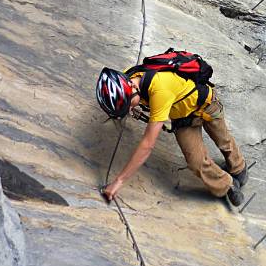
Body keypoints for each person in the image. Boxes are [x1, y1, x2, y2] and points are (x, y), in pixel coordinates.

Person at [96, 63, 248, 206]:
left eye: (128, 104)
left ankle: (239, 167)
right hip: (182, 116)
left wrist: (119, 181)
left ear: (131, 87)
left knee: (223, 140)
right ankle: (228, 185)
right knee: (196, 162)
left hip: (207, 104)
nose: (129, 109)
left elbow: (147, 145)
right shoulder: (128, 77)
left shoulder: (159, 91)